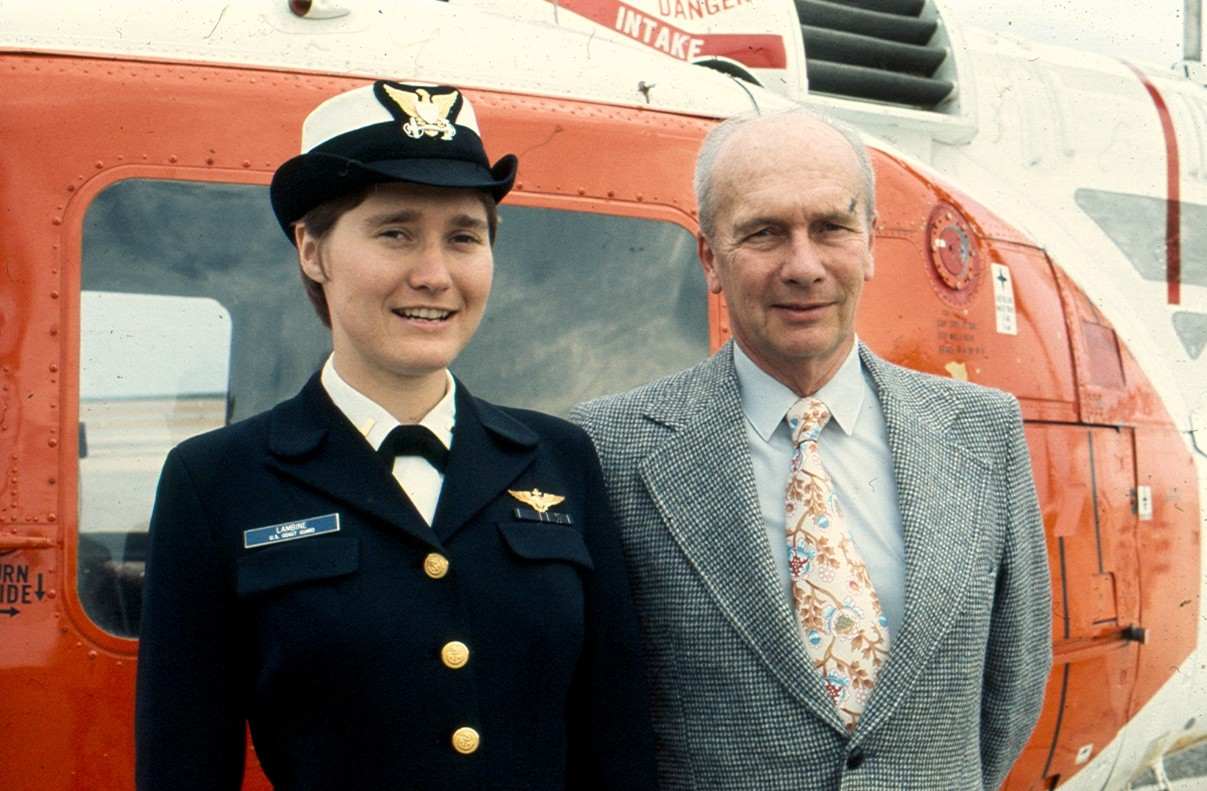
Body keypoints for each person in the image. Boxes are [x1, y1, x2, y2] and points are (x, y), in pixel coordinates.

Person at [135, 80, 657, 791]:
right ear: (312, 251)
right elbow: (184, 764)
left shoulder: (559, 457)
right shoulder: (217, 479)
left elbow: (617, 746)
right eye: (395, 232)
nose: (434, 274)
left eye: (464, 237)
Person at [571, 106, 1052, 790]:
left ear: (869, 244)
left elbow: (1011, 687)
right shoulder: (611, 448)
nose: (803, 266)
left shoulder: (981, 431)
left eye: (830, 227)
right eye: (763, 233)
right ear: (710, 258)